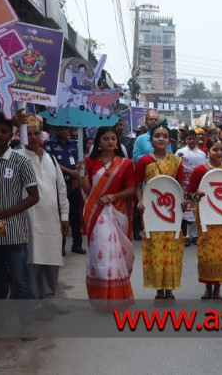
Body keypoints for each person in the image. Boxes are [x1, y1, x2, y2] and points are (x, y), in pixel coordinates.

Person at [0, 112, 40, 341]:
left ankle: (27, 326)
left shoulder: (21, 161)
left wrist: (4, 213)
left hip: (15, 234)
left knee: (21, 280)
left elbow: (34, 196)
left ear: (12, 135)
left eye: (3, 130)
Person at [17, 117, 70, 319]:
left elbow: (61, 188)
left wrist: (64, 215)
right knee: (31, 261)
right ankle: (34, 304)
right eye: (28, 133)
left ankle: (48, 299)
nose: (33, 137)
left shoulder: (50, 158)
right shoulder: (16, 156)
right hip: (27, 217)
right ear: (21, 135)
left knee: (50, 260)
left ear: (42, 135)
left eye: (36, 133)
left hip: (51, 217)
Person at [79, 126, 136, 310]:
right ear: (99, 143)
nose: (111, 141)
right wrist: (83, 181)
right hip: (98, 214)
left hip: (117, 212)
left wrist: (112, 197)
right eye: (106, 138)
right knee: (101, 255)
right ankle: (102, 299)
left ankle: (117, 297)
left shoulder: (125, 163)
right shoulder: (89, 163)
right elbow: (90, 194)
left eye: (113, 138)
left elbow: (131, 189)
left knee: (118, 254)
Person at [187, 136, 222, 300]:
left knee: (221, 253)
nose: (219, 153)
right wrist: (196, 196)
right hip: (206, 217)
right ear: (207, 151)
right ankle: (207, 286)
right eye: (215, 149)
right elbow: (190, 193)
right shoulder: (199, 171)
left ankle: (217, 288)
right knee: (206, 254)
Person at [135, 124, 186, 304]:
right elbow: (138, 185)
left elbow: (180, 186)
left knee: (172, 249)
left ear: (170, 141)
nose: (161, 139)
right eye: (157, 136)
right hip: (151, 211)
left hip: (171, 213)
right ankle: (158, 288)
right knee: (154, 249)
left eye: (165, 136)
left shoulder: (176, 162)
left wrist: (183, 203)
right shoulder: (143, 161)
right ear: (150, 140)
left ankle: (170, 289)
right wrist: (140, 201)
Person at [44, 125, 85, 255]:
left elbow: (80, 161)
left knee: (75, 214)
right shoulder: (49, 144)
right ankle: (60, 246)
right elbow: (52, 162)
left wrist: (76, 175)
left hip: (73, 182)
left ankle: (77, 244)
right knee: (61, 214)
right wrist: (72, 173)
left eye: (65, 129)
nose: (63, 131)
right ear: (54, 130)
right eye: (60, 128)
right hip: (57, 183)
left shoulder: (75, 143)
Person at [176, 130, 208, 247]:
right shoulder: (180, 152)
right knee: (186, 211)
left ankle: (195, 234)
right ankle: (187, 235)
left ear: (196, 139)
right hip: (184, 184)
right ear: (185, 140)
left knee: (196, 210)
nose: (191, 141)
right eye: (189, 139)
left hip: (197, 185)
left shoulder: (202, 154)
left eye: (193, 138)